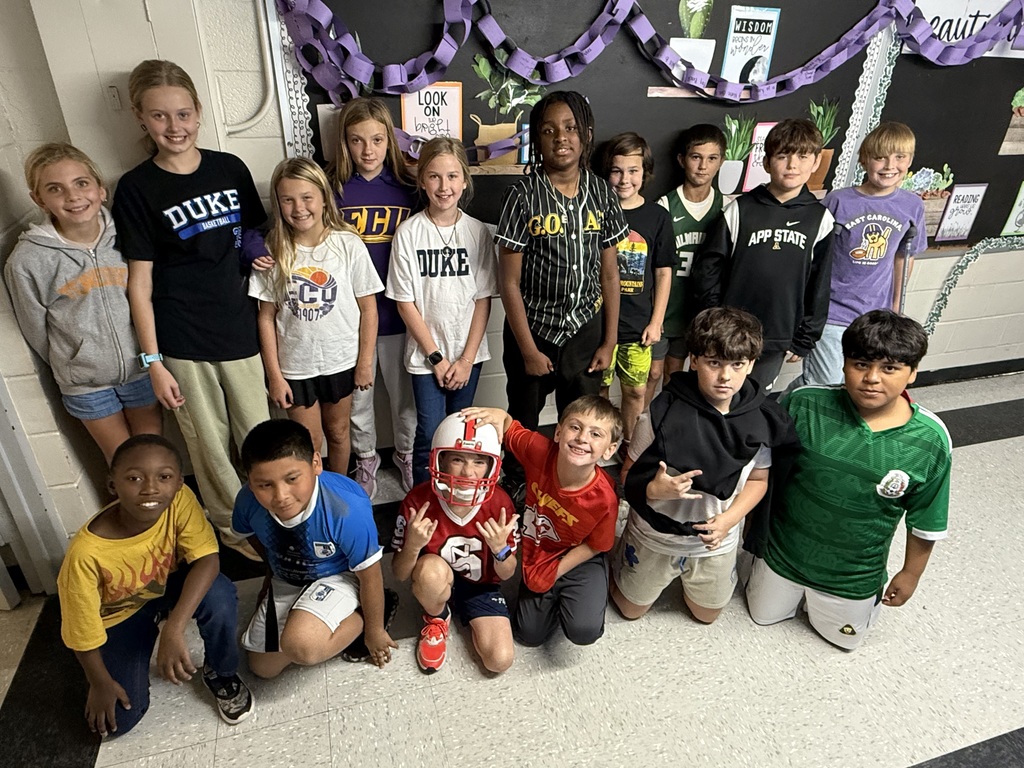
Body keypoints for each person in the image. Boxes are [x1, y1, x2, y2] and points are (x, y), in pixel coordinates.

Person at [113, 60, 270, 559]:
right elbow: (139, 284)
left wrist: (252, 251)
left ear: (199, 112)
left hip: (239, 324)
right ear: (141, 118)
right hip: (181, 336)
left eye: (183, 114)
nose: (174, 127)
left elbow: (252, 232)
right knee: (207, 444)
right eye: (160, 117)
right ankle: (232, 527)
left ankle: (272, 513)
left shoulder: (230, 168)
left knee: (257, 432)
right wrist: (152, 362)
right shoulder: (137, 188)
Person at [747, 310, 952, 650]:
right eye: (860, 364)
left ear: (912, 372)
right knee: (761, 617)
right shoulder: (804, 403)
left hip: (852, 578)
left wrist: (911, 574)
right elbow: (764, 471)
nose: (872, 378)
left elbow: (926, 520)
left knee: (842, 644)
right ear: (843, 364)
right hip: (781, 558)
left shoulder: (930, 440)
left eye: (889, 368)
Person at [57, 435, 253, 737]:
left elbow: (208, 559)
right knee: (120, 722)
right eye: (134, 478)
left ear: (177, 483)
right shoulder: (85, 554)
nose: (150, 488)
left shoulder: (180, 499)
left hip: (166, 586)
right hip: (120, 614)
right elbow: (80, 632)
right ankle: (139, 636)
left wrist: (174, 628)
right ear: (112, 485)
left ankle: (222, 672)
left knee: (219, 594)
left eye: (164, 477)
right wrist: (99, 683)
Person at [614, 308, 798, 624]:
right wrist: (654, 489)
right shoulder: (659, 415)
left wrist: (729, 520)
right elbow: (628, 474)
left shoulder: (762, 420)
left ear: (751, 364)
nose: (725, 376)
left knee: (707, 616)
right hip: (655, 534)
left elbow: (759, 480)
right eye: (714, 363)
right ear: (694, 360)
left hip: (715, 540)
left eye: (737, 365)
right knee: (630, 611)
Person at [494, 91, 628, 498]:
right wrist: (529, 350)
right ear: (537, 138)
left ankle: (572, 484)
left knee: (582, 417)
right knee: (524, 416)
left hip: (584, 329)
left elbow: (609, 273)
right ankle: (518, 482)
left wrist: (609, 339)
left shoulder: (602, 194)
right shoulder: (522, 196)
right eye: (548, 130)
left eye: (570, 128)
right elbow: (509, 283)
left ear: (585, 134)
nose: (560, 138)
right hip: (533, 330)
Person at [5, 143, 162, 464]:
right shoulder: (27, 261)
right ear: (39, 199)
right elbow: (36, 330)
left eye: (81, 183)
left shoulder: (129, 235)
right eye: (55, 189)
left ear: (100, 189)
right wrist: (76, 361)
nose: (73, 196)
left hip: (141, 370)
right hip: (86, 385)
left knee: (153, 456)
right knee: (123, 464)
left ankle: (172, 515)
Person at [232, 419, 398, 678]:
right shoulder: (246, 502)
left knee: (302, 645)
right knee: (262, 668)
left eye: (292, 478)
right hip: (289, 574)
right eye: (265, 485)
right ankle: (312, 620)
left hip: (341, 574)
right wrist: (271, 574)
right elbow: (253, 536)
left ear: (316, 464)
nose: (281, 495)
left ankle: (365, 614)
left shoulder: (346, 508)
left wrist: (374, 632)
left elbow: (370, 573)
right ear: (250, 481)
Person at [250, 157, 382, 478]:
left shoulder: (347, 244)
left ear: (323, 197)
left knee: (338, 433)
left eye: (307, 197)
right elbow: (266, 317)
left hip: (341, 361)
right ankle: (316, 495)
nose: (299, 208)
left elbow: (369, 308)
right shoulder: (275, 249)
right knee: (309, 441)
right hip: (296, 366)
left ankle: (339, 487)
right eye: (288, 200)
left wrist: (365, 362)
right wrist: (275, 376)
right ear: (278, 203)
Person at [463, 396, 622, 647]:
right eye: (575, 427)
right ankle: (555, 596)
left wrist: (555, 571)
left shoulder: (605, 499)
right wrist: (498, 414)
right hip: (540, 548)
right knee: (528, 635)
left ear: (609, 450)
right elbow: (509, 426)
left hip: (579, 554)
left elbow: (597, 545)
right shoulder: (540, 451)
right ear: (558, 432)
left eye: (595, 434)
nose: (582, 438)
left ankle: (588, 591)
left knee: (583, 631)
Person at [691, 118, 835, 392]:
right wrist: (713, 323)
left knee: (754, 402)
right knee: (715, 399)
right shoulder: (740, 210)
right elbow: (708, 272)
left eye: (802, 156)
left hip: (776, 336)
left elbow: (820, 284)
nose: (792, 165)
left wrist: (805, 338)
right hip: (727, 335)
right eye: (782, 156)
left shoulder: (820, 219)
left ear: (816, 162)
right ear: (767, 162)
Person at [387, 137, 498, 486]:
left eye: (452, 177)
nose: (444, 186)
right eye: (434, 177)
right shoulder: (408, 233)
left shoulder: (477, 232)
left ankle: (457, 492)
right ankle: (424, 498)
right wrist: (437, 358)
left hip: (469, 355)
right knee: (431, 432)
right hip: (426, 357)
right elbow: (405, 301)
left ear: (464, 180)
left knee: (460, 430)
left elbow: (483, 299)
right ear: (422, 180)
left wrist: (464, 360)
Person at [789, 122, 927, 388]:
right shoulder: (839, 201)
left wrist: (895, 308)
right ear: (864, 160)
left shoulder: (912, 205)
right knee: (825, 382)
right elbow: (812, 257)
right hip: (832, 311)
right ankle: (784, 417)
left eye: (899, 157)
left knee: (855, 382)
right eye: (879, 157)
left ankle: (787, 410)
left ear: (909, 160)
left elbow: (904, 257)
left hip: (875, 315)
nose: (889, 166)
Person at [331, 97, 418, 497]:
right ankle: (366, 459)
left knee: (405, 400)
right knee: (360, 402)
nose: (368, 151)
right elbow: (281, 223)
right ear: (344, 143)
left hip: (401, 315)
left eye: (377, 140)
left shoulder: (409, 189)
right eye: (357, 140)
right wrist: (253, 249)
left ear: (390, 142)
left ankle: (406, 454)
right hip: (350, 321)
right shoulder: (331, 189)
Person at [391, 414, 518, 674]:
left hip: (482, 586)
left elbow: (507, 573)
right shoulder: (418, 502)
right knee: (429, 574)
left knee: (499, 660)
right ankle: (437, 616)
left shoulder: (500, 504)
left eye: (479, 461)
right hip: (437, 578)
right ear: (441, 460)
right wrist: (413, 546)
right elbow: (399, 573)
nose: (468, 472)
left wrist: (500, 550)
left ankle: (466, 610)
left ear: (492, 465)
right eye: (458, 459)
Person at [598, 132, 673, 449]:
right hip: (599, 326)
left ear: (645, 173)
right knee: (598, 392)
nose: (624, 179)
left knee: (636, 390)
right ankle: (600, 444)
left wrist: (656, 322)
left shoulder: (657, 216)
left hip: (638, 325)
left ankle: (629, 445)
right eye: (617, 170)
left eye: (633, 171)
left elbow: (664, 272)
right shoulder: (597, 211)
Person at [656, 125, 726, 386]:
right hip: (666, 308)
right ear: (682, 160)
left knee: (685, 376)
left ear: (721, 161)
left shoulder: (727, 208)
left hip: (700, 313)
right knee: (657, 374)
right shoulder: (665, 206)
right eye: (696, 157)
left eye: (712, 158)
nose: (703, 166)